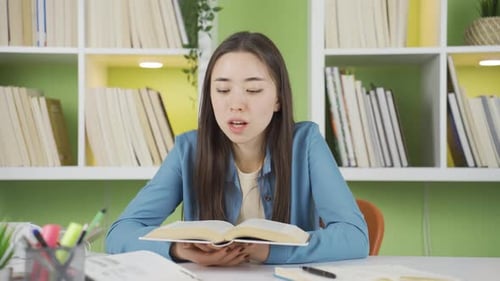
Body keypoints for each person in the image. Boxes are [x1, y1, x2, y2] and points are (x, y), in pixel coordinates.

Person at [105, 31, 368, 266]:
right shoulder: (189, 149)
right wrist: (179, 250)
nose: (236, 103)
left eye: (253, 90)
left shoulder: (306, 143)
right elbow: (119, 233)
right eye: (222, 89)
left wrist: (271, 252)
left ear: (278, 99)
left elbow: (354, 236)